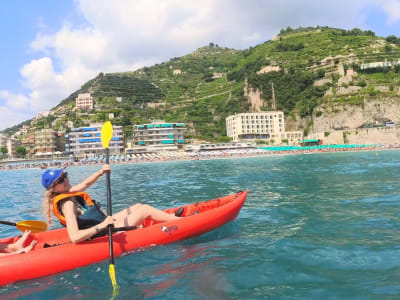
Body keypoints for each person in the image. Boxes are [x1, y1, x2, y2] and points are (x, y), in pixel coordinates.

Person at [42, 165, 182, 243]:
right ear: (53, 189)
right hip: (102, 233)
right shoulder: (67, 204)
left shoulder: (68, 191)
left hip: (105, 225)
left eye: (64, 175)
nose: (65, 180)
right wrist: (103, 225)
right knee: (144, 210)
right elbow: (75, 237)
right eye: (60, 181)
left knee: (138, 206)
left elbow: (85, 183)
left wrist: (101, 172)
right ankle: (179, 222)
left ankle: (169, 217)